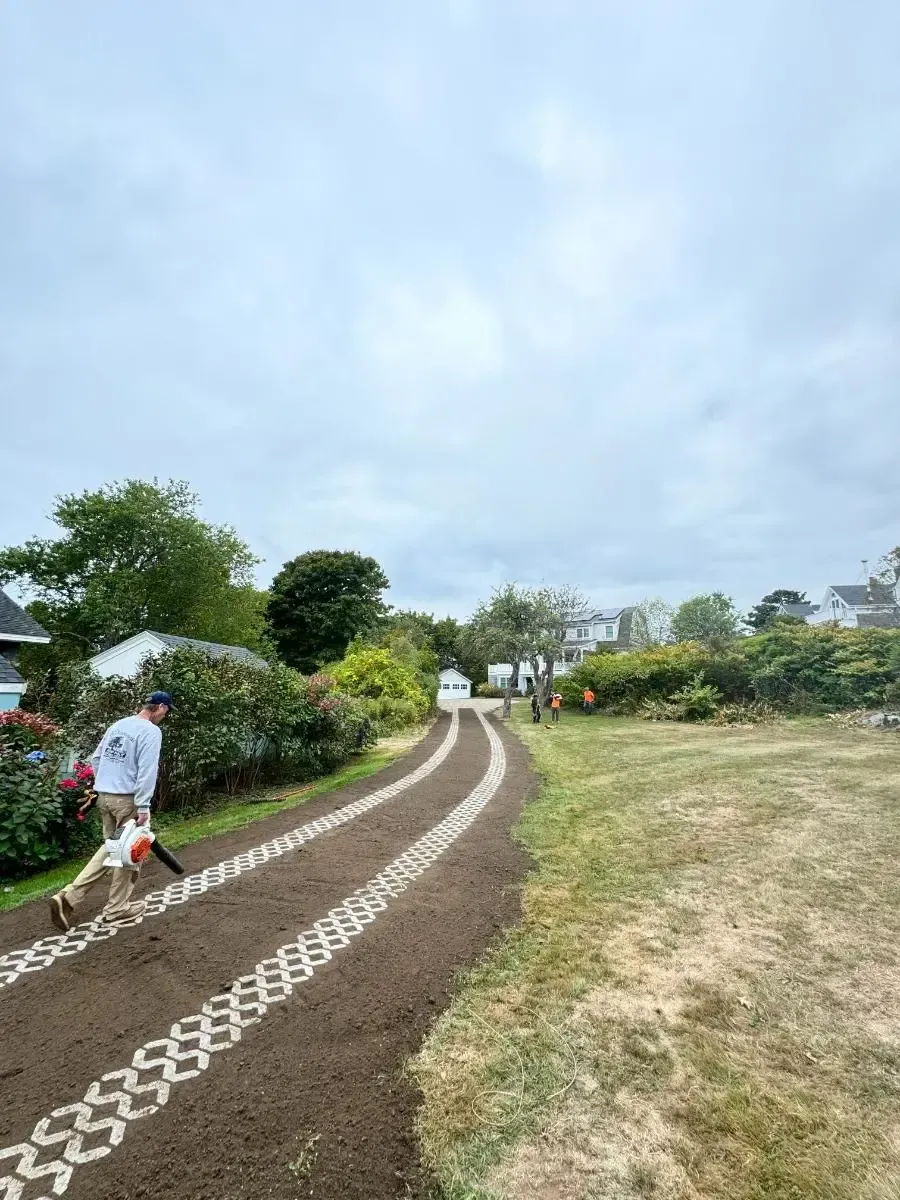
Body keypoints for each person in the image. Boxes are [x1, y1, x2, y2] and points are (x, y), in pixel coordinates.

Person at [49, 692, 173, 932]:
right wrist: (144, 806)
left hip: (104, 798)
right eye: (167, 711)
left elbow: (97, 758)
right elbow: (148, 771)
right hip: (127, 801)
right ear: (159, 707)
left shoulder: (119, 725)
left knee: (113, 849)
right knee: (130, 854)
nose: (165, 717)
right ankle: (111, 908)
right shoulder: (150, 731)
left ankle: (75, 898)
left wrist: (105, 783)